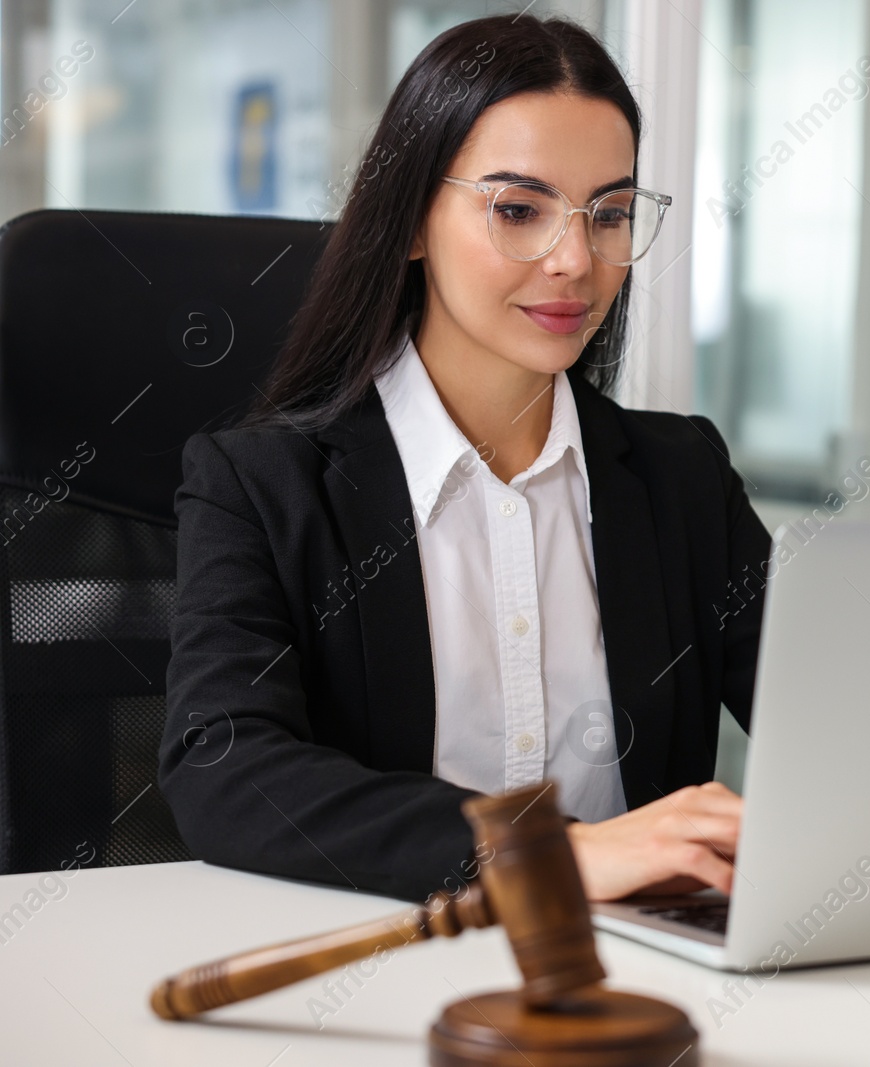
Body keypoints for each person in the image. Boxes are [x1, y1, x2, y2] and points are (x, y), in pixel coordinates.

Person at [159, 13, 767, 905]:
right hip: (376, 973)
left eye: (610, 214)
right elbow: (225, 769)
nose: (576, 260)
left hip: (639, 982)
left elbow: (836, 734)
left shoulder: (683, 478)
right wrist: (551, 854)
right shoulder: (262, 486)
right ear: (408, 224)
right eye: (518, 209)